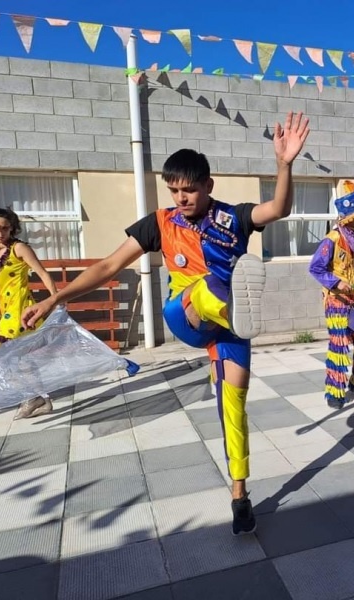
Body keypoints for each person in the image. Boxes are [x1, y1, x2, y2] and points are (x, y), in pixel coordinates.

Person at [22, 112, 310, 536]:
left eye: (189, 190)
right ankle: (232, 308)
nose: (181, 197)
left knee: (233, 408)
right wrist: (55, 297)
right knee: (206, 287)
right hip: (186, 314)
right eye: (174, 190)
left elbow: (279, 208)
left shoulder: (236, 217)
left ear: (208, 186)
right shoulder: (158, 224)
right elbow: (108, 264)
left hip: (231, 328)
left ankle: (240, 495)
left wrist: (284, 164)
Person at [0, 207, 58, 419]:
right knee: (21, 358)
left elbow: (43, 273)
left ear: (12, 228)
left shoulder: (19, 248)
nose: (1, 232)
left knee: (1, 349)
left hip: (21, 310)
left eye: (5, 228)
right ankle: (40, 398)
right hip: (6, 310)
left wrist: (56, 299)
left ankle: (32, 396)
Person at [308, 182, 354, 409]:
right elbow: (316, 268)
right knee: (340, 345)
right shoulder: (333, 239)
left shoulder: (353, 237)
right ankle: (334, 392)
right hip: (336, 301)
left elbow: (351, 269)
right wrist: (338, 283)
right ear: (351, 217)